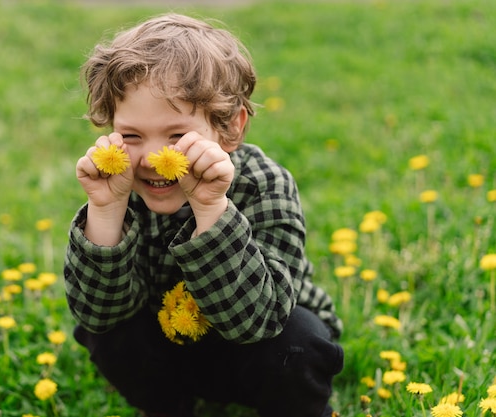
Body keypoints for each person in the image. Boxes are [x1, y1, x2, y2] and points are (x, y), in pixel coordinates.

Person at [64, 13, 344, 417]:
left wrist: (211, 207)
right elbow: (96, 313)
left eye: (177, 136)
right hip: (168, 356)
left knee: (298, 340)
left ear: (230, 128)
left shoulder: (264, 186)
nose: (156, 160)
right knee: (109, 333)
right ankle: (169, 407)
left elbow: (258, 321)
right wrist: (106, 211)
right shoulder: (117, 190)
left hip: (256, 350)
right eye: (131, 136)